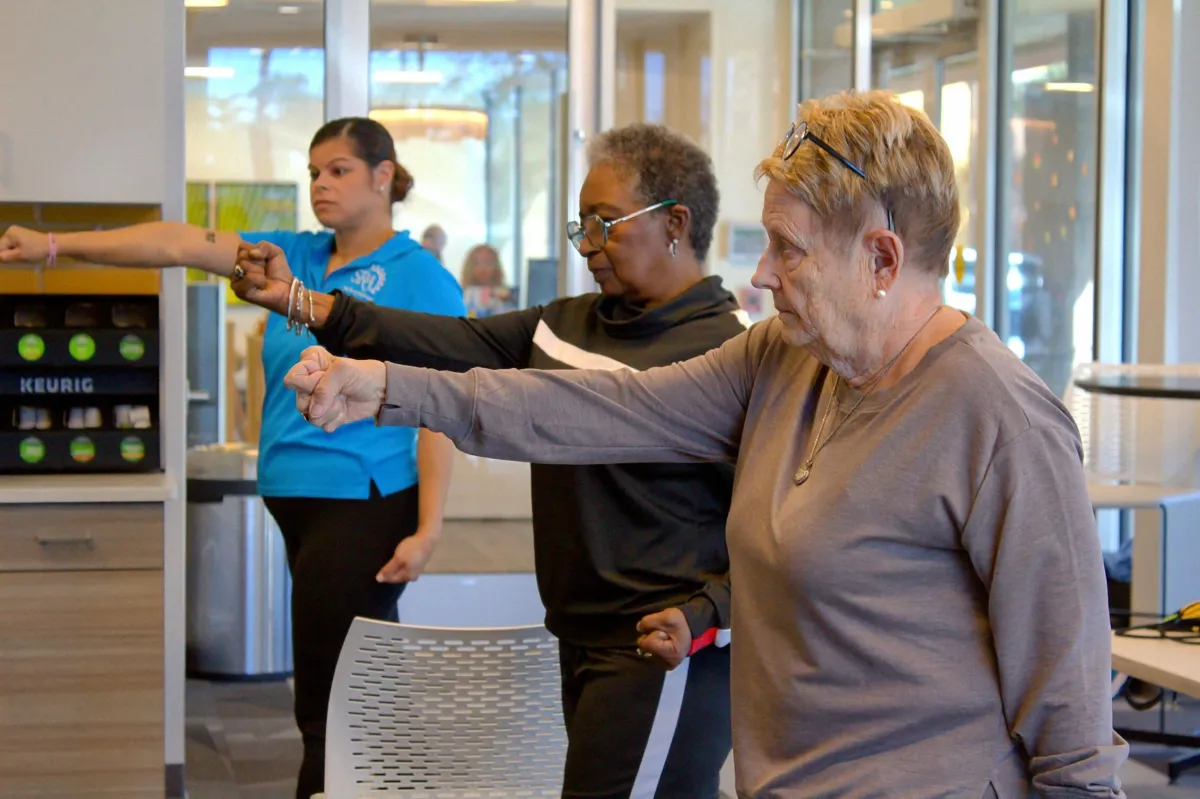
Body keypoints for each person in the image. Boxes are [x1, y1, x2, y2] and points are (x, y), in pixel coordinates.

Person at [284, 92, 1129, 798]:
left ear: (881, 257)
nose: (759, 274)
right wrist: (385, 387)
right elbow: (598, 409)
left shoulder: (1000, 419)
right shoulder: (783, 359)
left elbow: (1072, 722)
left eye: (788, 249)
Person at [234, 122, 741, 798]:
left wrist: (711, 609)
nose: (588, 245)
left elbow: (773, 528)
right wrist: (300, 300)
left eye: (606, 224)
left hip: (667, 643)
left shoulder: (730, 354)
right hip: (582, 631)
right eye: (580, 225)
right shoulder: (567, 323)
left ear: (676, 221)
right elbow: (439, 339)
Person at [0, 116, 465, 799]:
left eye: (338, 169)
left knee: (328, 706)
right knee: (357, 687)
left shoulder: (418, 276)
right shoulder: (295, 256)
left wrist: (428, 529)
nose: (320, 185)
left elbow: (443, 408)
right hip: (300, 502)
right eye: (313, 172)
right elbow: (179, 241)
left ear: (384, 175)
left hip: (361, 503)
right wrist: (53, 243)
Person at [458, 243, 515, 317]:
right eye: (477, 263)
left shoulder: (504, 296)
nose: (483, 269)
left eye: (488, 263)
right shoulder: (462, 295)